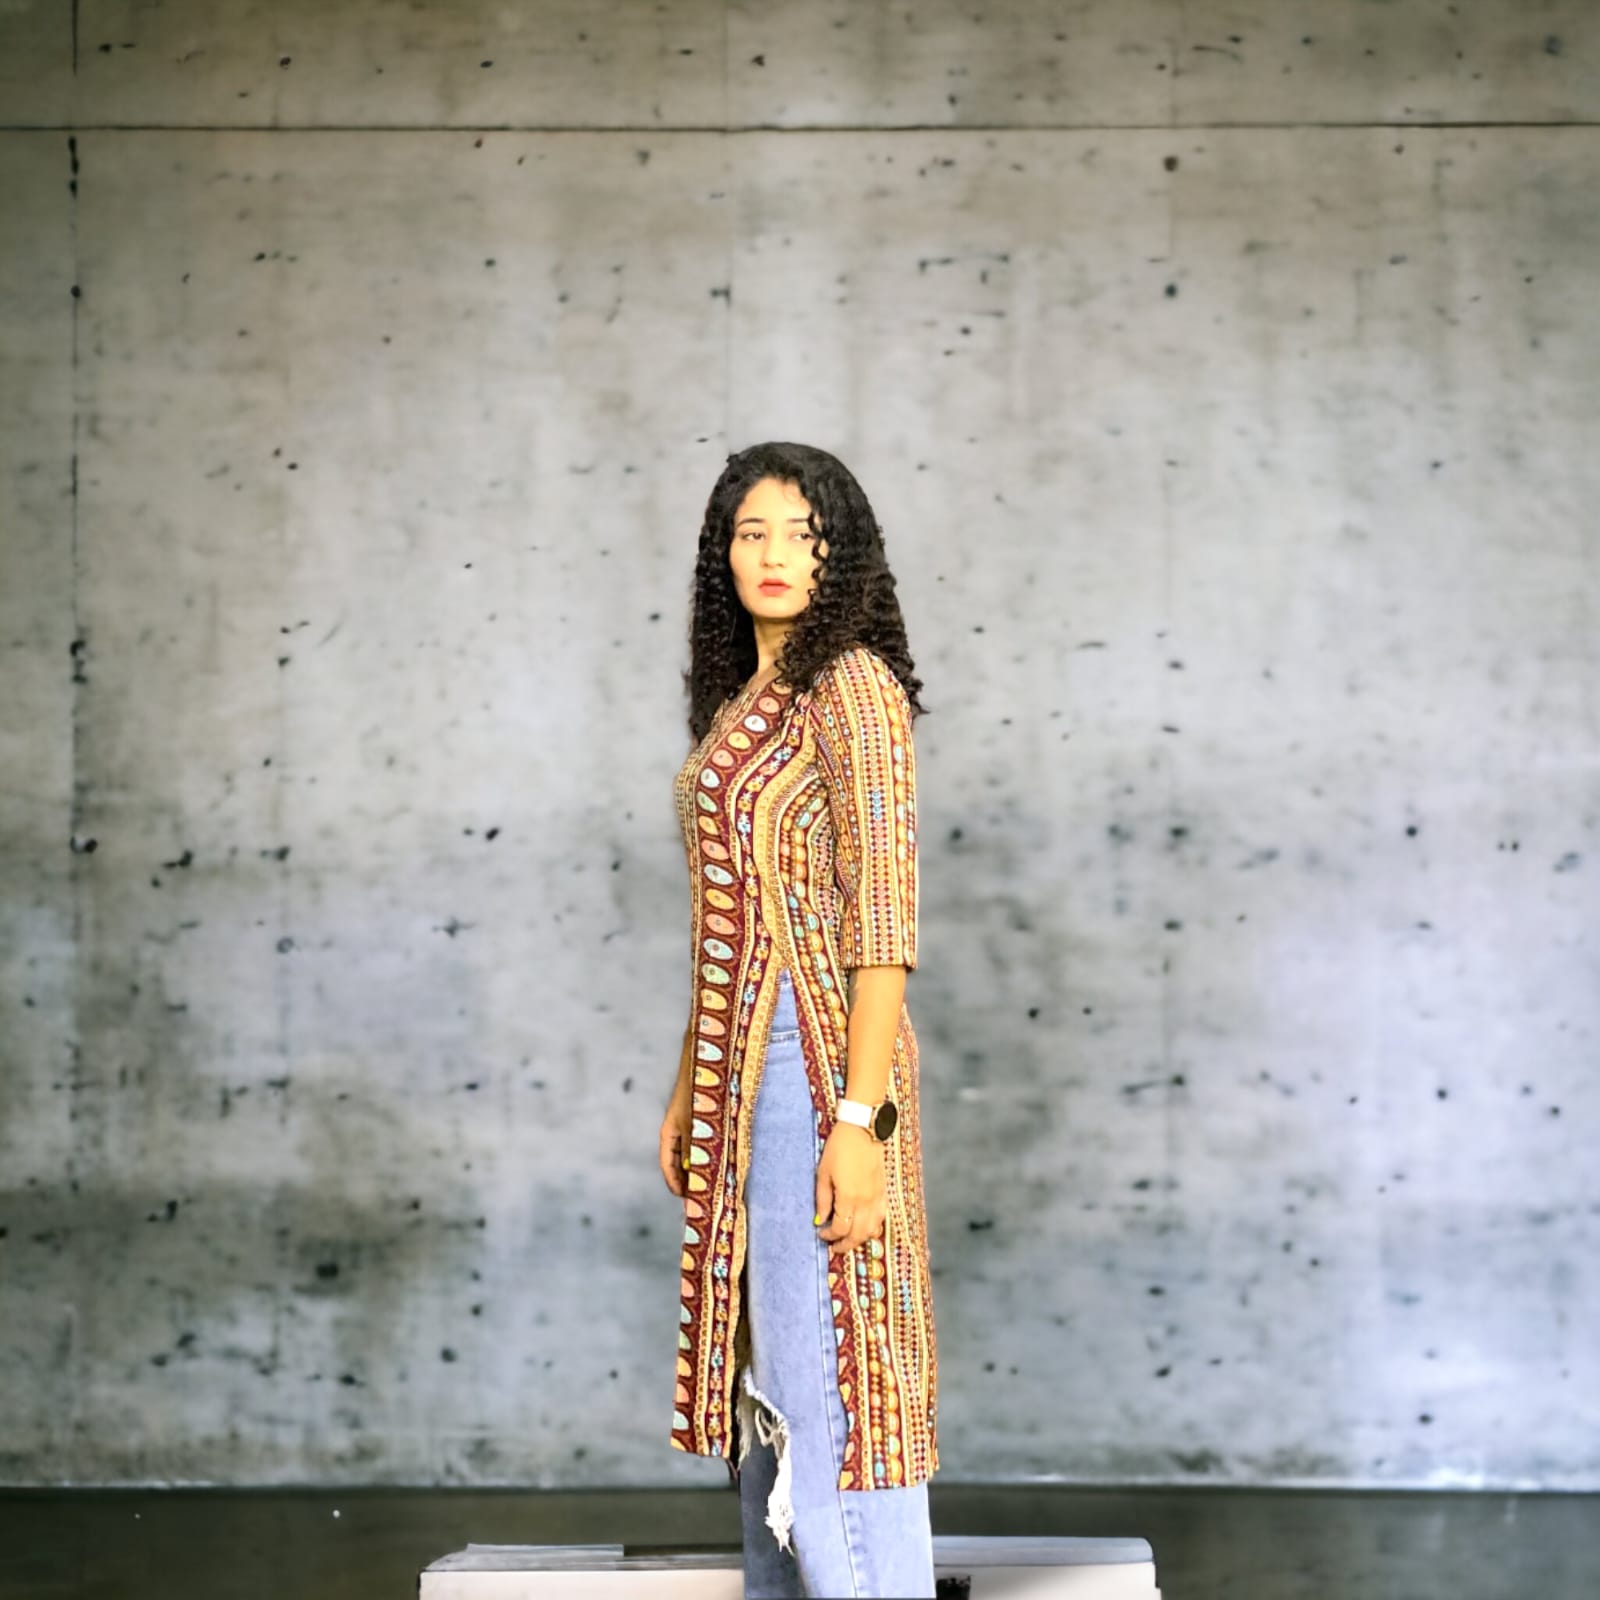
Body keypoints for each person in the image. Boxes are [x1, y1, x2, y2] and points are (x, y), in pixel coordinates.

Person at [658, 442, 940, 1598]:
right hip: (739, 1069)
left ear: (841, 554)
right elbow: (728, 918)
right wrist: (690, 1082)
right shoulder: (744, 703)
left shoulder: (851, 687)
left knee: (831, 1378)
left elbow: (882, 926)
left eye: (802, 534)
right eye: (751, 532)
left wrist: (858, 1120)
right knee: (768, 1379)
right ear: (722, 555)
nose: (774, 554)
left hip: (814, 1067)